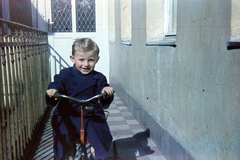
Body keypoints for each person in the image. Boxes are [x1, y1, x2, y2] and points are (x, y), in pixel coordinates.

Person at [46, 38, 114, 160]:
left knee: (99, 136)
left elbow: (103, 90)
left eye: (91, 60)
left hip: (91, 114)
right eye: (81, 60)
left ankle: (97, 153)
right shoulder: (65, 74)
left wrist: (106, 92)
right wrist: (53, 91)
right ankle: (67, 155)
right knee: (63, 135)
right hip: (68, 113)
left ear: (97, 60)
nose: (86, 64)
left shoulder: (99, 77)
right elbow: (57, 83)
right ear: (73, 59)